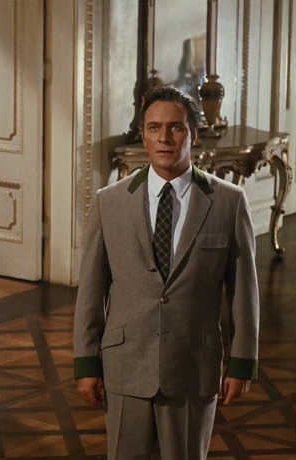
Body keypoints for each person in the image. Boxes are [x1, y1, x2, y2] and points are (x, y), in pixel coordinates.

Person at [73, 85, 260, 459]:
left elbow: (244, 291)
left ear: (193, 134)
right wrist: (86, 362)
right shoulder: (109, 202)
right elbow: (91, 290)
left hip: (193, 365)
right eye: (154, 128)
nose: (164, 138)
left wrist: (242, 363)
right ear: (143, 135)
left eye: (175, 127)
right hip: (125, 364)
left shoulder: (228, 202)